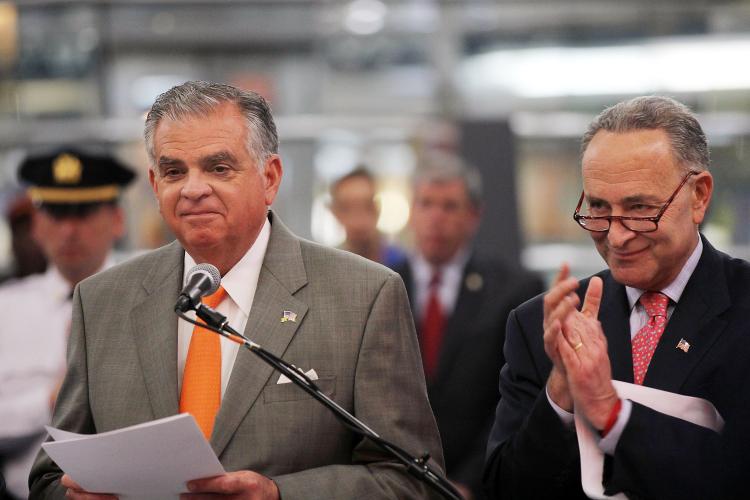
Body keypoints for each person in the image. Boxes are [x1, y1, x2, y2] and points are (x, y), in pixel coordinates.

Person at [29, 81, 443, 499]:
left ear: (270, 178)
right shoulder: (100, 301)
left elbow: (411, 480)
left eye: (218, 168)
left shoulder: (364, 296)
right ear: (155, 186)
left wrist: (279, 495)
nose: (193, 189)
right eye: (174, 171)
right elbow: (47, 479)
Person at [484, 95, 750, 499]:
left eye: (640, 208)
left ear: (698, 196)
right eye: (598, 208)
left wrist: (611, 411)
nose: (616, 235)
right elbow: (505, 490)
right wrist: (561, 393)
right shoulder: (543, 324)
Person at [393, 153, 543, 499]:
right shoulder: (379, 285)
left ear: (474, 215)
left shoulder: (514, 291)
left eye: (449, 206)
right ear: (412, 211)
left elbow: (517, 400)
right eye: (426, 204)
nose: (435, 218)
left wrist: (469, 483)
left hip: (479, 484)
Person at [0, 149, 133, 499]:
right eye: (56, 215)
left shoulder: (152, 297)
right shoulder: (5, 311)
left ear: (118, 221)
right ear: (38, 226)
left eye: (84, 213)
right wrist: (52, 399)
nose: (69, 230)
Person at [329, 166, 406, 268]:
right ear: (335, 213)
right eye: (347, 208)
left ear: (377, 209)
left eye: (367, 206)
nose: (358, 219)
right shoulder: (331, 267)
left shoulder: (403, 265)